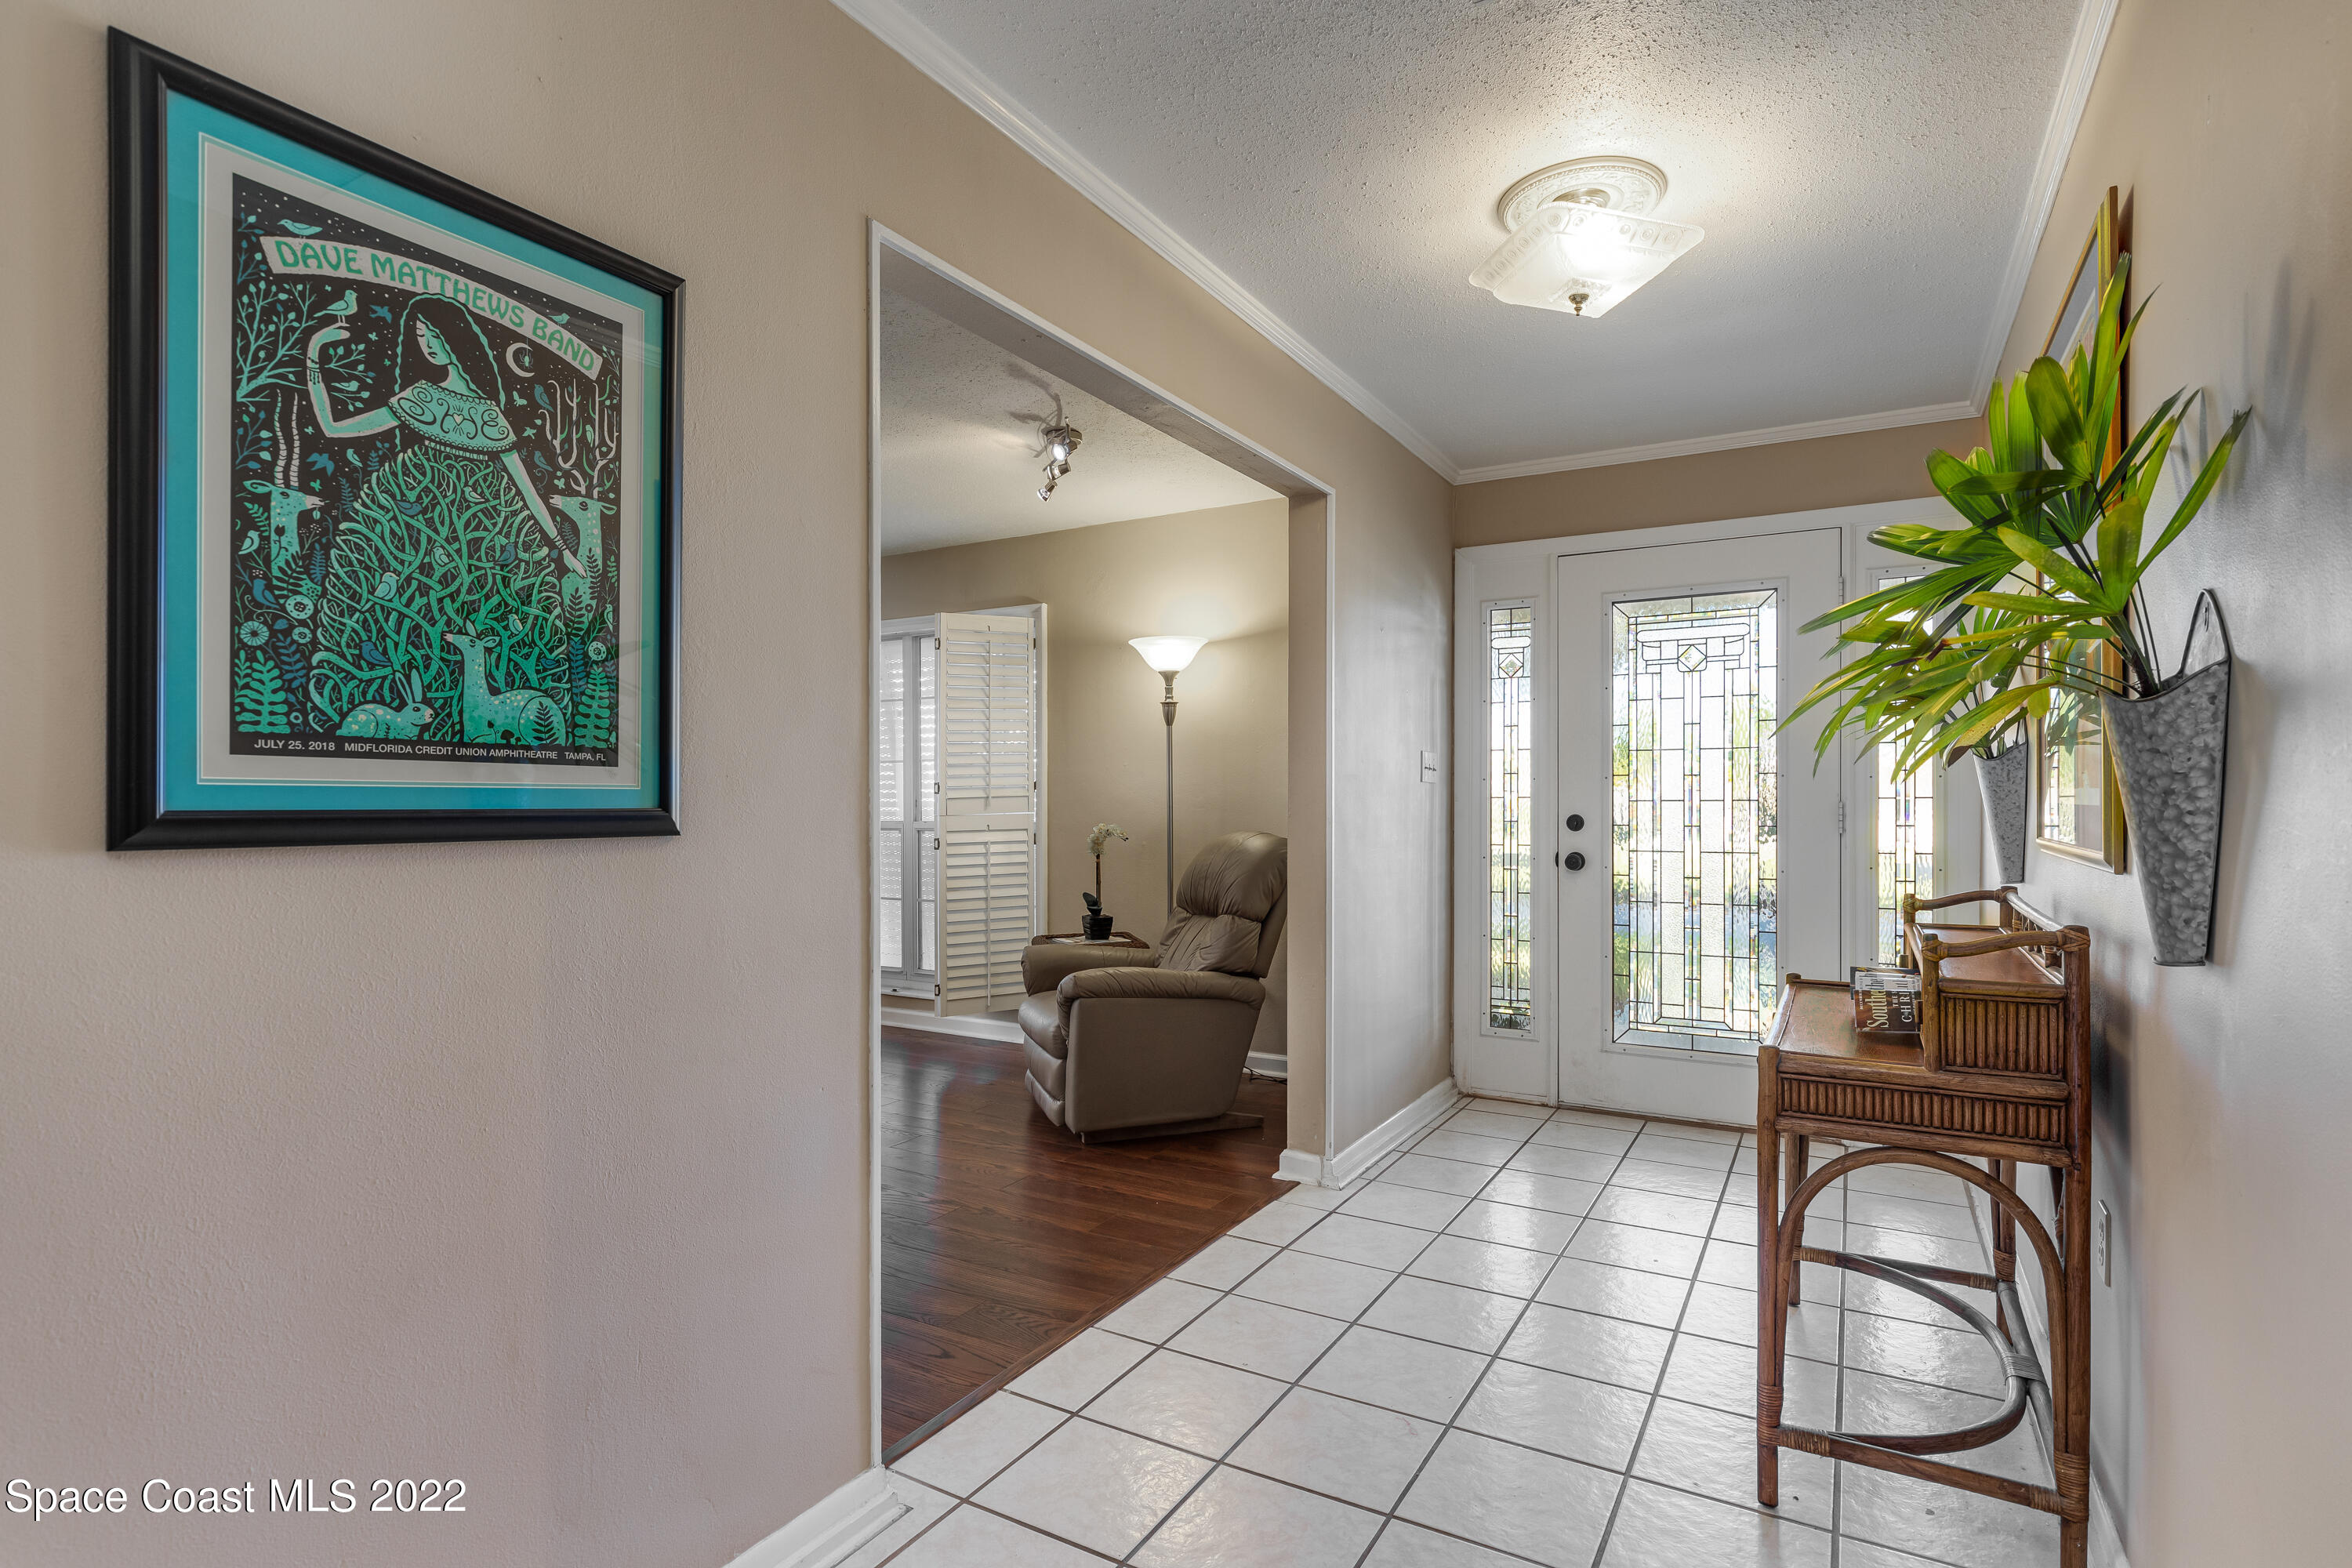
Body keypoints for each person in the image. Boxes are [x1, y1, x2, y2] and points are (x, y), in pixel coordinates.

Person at [303, 296, 585, 737]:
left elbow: (527, 490)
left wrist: (560, 548)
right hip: (408, 539)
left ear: (455, 338)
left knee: (497, 633)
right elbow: (335, 428)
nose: (429, 346)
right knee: (403, 638)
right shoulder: (419, 398)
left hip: (488, 548)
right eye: (420, 338)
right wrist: (315, 354)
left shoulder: (490, 416)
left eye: (434, 335)